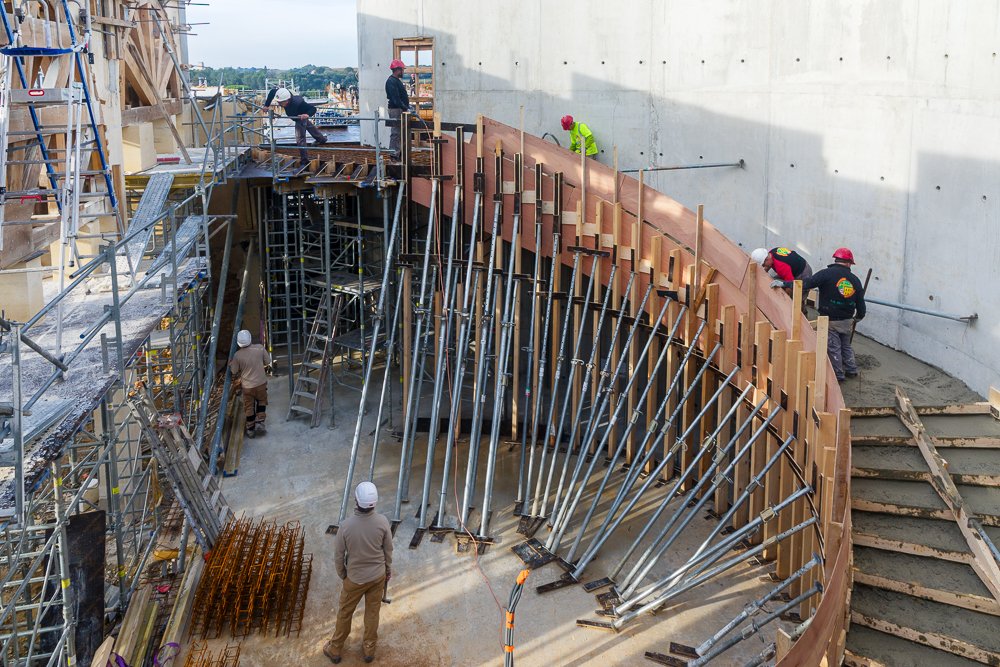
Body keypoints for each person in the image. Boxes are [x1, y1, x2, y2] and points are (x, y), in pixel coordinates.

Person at [771, 248, 866, 382]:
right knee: (846, 345)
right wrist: (860, 316)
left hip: (830, 319)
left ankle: (838, 376)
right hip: (847, 319)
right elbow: (860, 302)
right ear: (850, 263)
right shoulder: (855, 280)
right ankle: (851, 370)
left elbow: (805, 284)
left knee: (833, 348)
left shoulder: (826, 274)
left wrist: (784, 283)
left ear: (836, 260)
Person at [325, 482, 394, 664]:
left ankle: (335, 649)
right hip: (377, 577)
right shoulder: (382, 522)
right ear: (375, 503)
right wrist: (387, 570)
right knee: (372, 613)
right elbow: (388, 549)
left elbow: (339, 557)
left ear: (356, 500)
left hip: (354, 579)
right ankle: (369, 650)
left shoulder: (346, 526)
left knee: (345, 613)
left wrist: (343, 575)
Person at [264, 87, 327, 163]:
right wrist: (266, 105)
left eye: (281, 103)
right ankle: (322, 139)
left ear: (288, 100)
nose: (279, 104)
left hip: (300, 117)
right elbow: (272, 92)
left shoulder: (299, 103)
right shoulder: (281, 93)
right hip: (294, 114)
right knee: (309, 126)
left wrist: (307, 114)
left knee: (300, 138)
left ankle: (304, 160)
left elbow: (313, 109)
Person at [228, 330, 271, 437]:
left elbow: (234, 371)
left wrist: (231, 364)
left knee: (249, 407)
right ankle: (260, 423)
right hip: (261, 383)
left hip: (247, 386)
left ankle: (250, 429)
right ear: (250, 338)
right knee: (261, 401)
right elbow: (268, 361)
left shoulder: (237, 355)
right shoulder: (259, 348)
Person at [385, 60, 409, 155]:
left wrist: (406, 106)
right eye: (402, 70)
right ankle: (393, 154)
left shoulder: (395, 81)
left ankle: (397, 152)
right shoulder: (391, 82)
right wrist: (405, 107)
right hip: (395, 110)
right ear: (397, 70)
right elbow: (395, 99)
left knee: (398, 133)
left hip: (398, 109)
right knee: (395, 132)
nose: (403, 72)